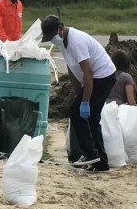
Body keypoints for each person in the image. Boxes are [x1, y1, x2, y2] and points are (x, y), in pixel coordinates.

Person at [42, 15, 115, 172]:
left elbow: (88, 72)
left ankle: (90, 154)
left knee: (75, 112)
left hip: (103, 77)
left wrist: (85, 101)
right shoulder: (63, 41)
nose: (52, 40)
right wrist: (78, 93)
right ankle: (101, 163)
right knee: (92, 118)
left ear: (61, 29)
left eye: (52, 36)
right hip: (96, 77)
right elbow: (71, 67)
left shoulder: (76, 41)